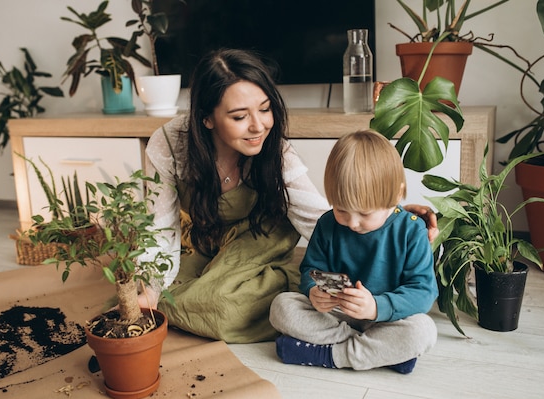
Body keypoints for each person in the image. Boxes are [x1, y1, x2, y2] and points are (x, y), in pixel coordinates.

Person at [140, 48, 438, 344]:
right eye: (240, 116)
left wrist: (387, 216)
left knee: (223, 304)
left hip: (255, 237)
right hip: (203, 237)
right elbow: (160, 227)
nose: (259, 126)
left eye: (266, 109)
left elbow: (319, 216)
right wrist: (151, 287)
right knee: (163, 288)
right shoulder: (170, 144)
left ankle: (338, 344)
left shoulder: (276, 153)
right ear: (207, 118)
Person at [269, 130, 438, 374]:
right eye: (341, 210)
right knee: (281, 307)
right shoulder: (327, 224)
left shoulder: (412, 230)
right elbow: (310, 270)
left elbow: (423, 292)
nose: (353, 222)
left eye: (365, 214)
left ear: (398, 194)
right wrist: (313, 292)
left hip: (386, 317)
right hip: (338, 317)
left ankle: (328, 354)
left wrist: (377, 307)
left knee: (423, 330)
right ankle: (382, 353)